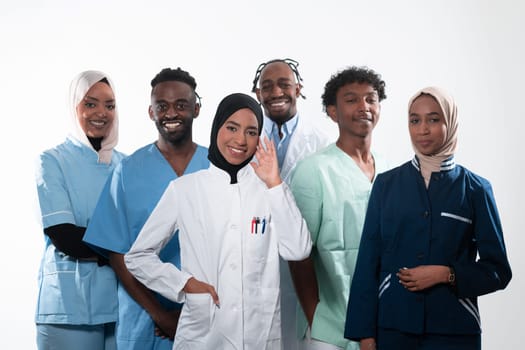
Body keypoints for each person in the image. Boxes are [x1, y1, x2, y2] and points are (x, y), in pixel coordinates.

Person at [124, 93, 312, 349]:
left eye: (251, 131)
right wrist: (184, 284)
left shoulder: (270, 190)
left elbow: (298, 249)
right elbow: (137, 257)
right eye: (232, 128)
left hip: (259, 336)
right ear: (217, 129)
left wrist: (274, 183)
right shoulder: (185, 190)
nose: (240, 140)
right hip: (204, 334)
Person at [344, 87, 512, 350]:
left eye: (433, 119)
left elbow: (498, 271)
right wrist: (365, 335)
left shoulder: (476, 189)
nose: (422, 129)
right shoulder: (386, 185)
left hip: (454, 331)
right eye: (415, 120)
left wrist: (447, 274)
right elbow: (368, 261)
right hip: (393, 327)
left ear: (450, 123)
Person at [83, 67, 209, 350]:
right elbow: (118, 254)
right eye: (161, 106)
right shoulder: (127, 171)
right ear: (151, 112)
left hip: (208, 316)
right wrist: (160, 314)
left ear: (197, 109)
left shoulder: (217, 166)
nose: (171, 113)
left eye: (181, 105)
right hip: (144, 321)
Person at [289, 66, 389, 350]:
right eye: (351, 100)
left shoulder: (391, 171)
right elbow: (299, 253)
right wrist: (314, 316)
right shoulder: (313, 171)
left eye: (371, 99)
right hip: (330, 327)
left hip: (384, 323)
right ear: (332, 112)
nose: (364, 107)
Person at [35, 70, 126, 350]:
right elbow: (66, 236)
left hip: (121, 304)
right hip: (69, 307)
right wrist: (124, 249)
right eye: (90, 103)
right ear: (74, 106)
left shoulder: (126, 165)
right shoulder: (52, 161)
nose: (102, 112)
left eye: (109, 105)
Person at [252, 58, 331, 349]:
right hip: (259, 262)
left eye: (284, 84)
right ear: (257, 93)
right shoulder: (244, 142)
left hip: (310, 266)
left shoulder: (322, 144)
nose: (276, 92)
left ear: (298, 88)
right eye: (267, 86)